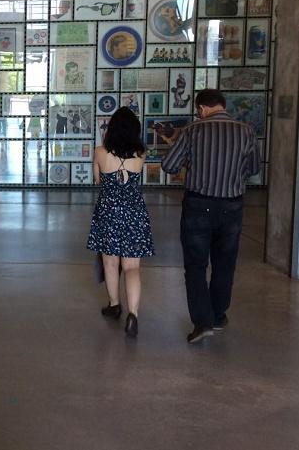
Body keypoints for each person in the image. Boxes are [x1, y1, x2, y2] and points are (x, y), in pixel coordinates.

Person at [162, 89, 260, 344]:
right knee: (225, 263)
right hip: (232, 206)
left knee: (195, 266)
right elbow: (253, 168)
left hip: (198, 206)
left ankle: (202, 322)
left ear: (202, 108)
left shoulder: (193, 131)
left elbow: (169, 166)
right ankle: (217, 316)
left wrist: (189, 158)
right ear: (223, 105)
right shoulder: (246, 130)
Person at [87, 107, 155, 337]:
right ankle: (133, 314)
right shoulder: (140, 153)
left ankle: (114, 305)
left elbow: (97, 181)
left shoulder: (99, 152)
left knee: (110, 263)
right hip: (134, 212)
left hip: (108, 212)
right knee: (132, 266)